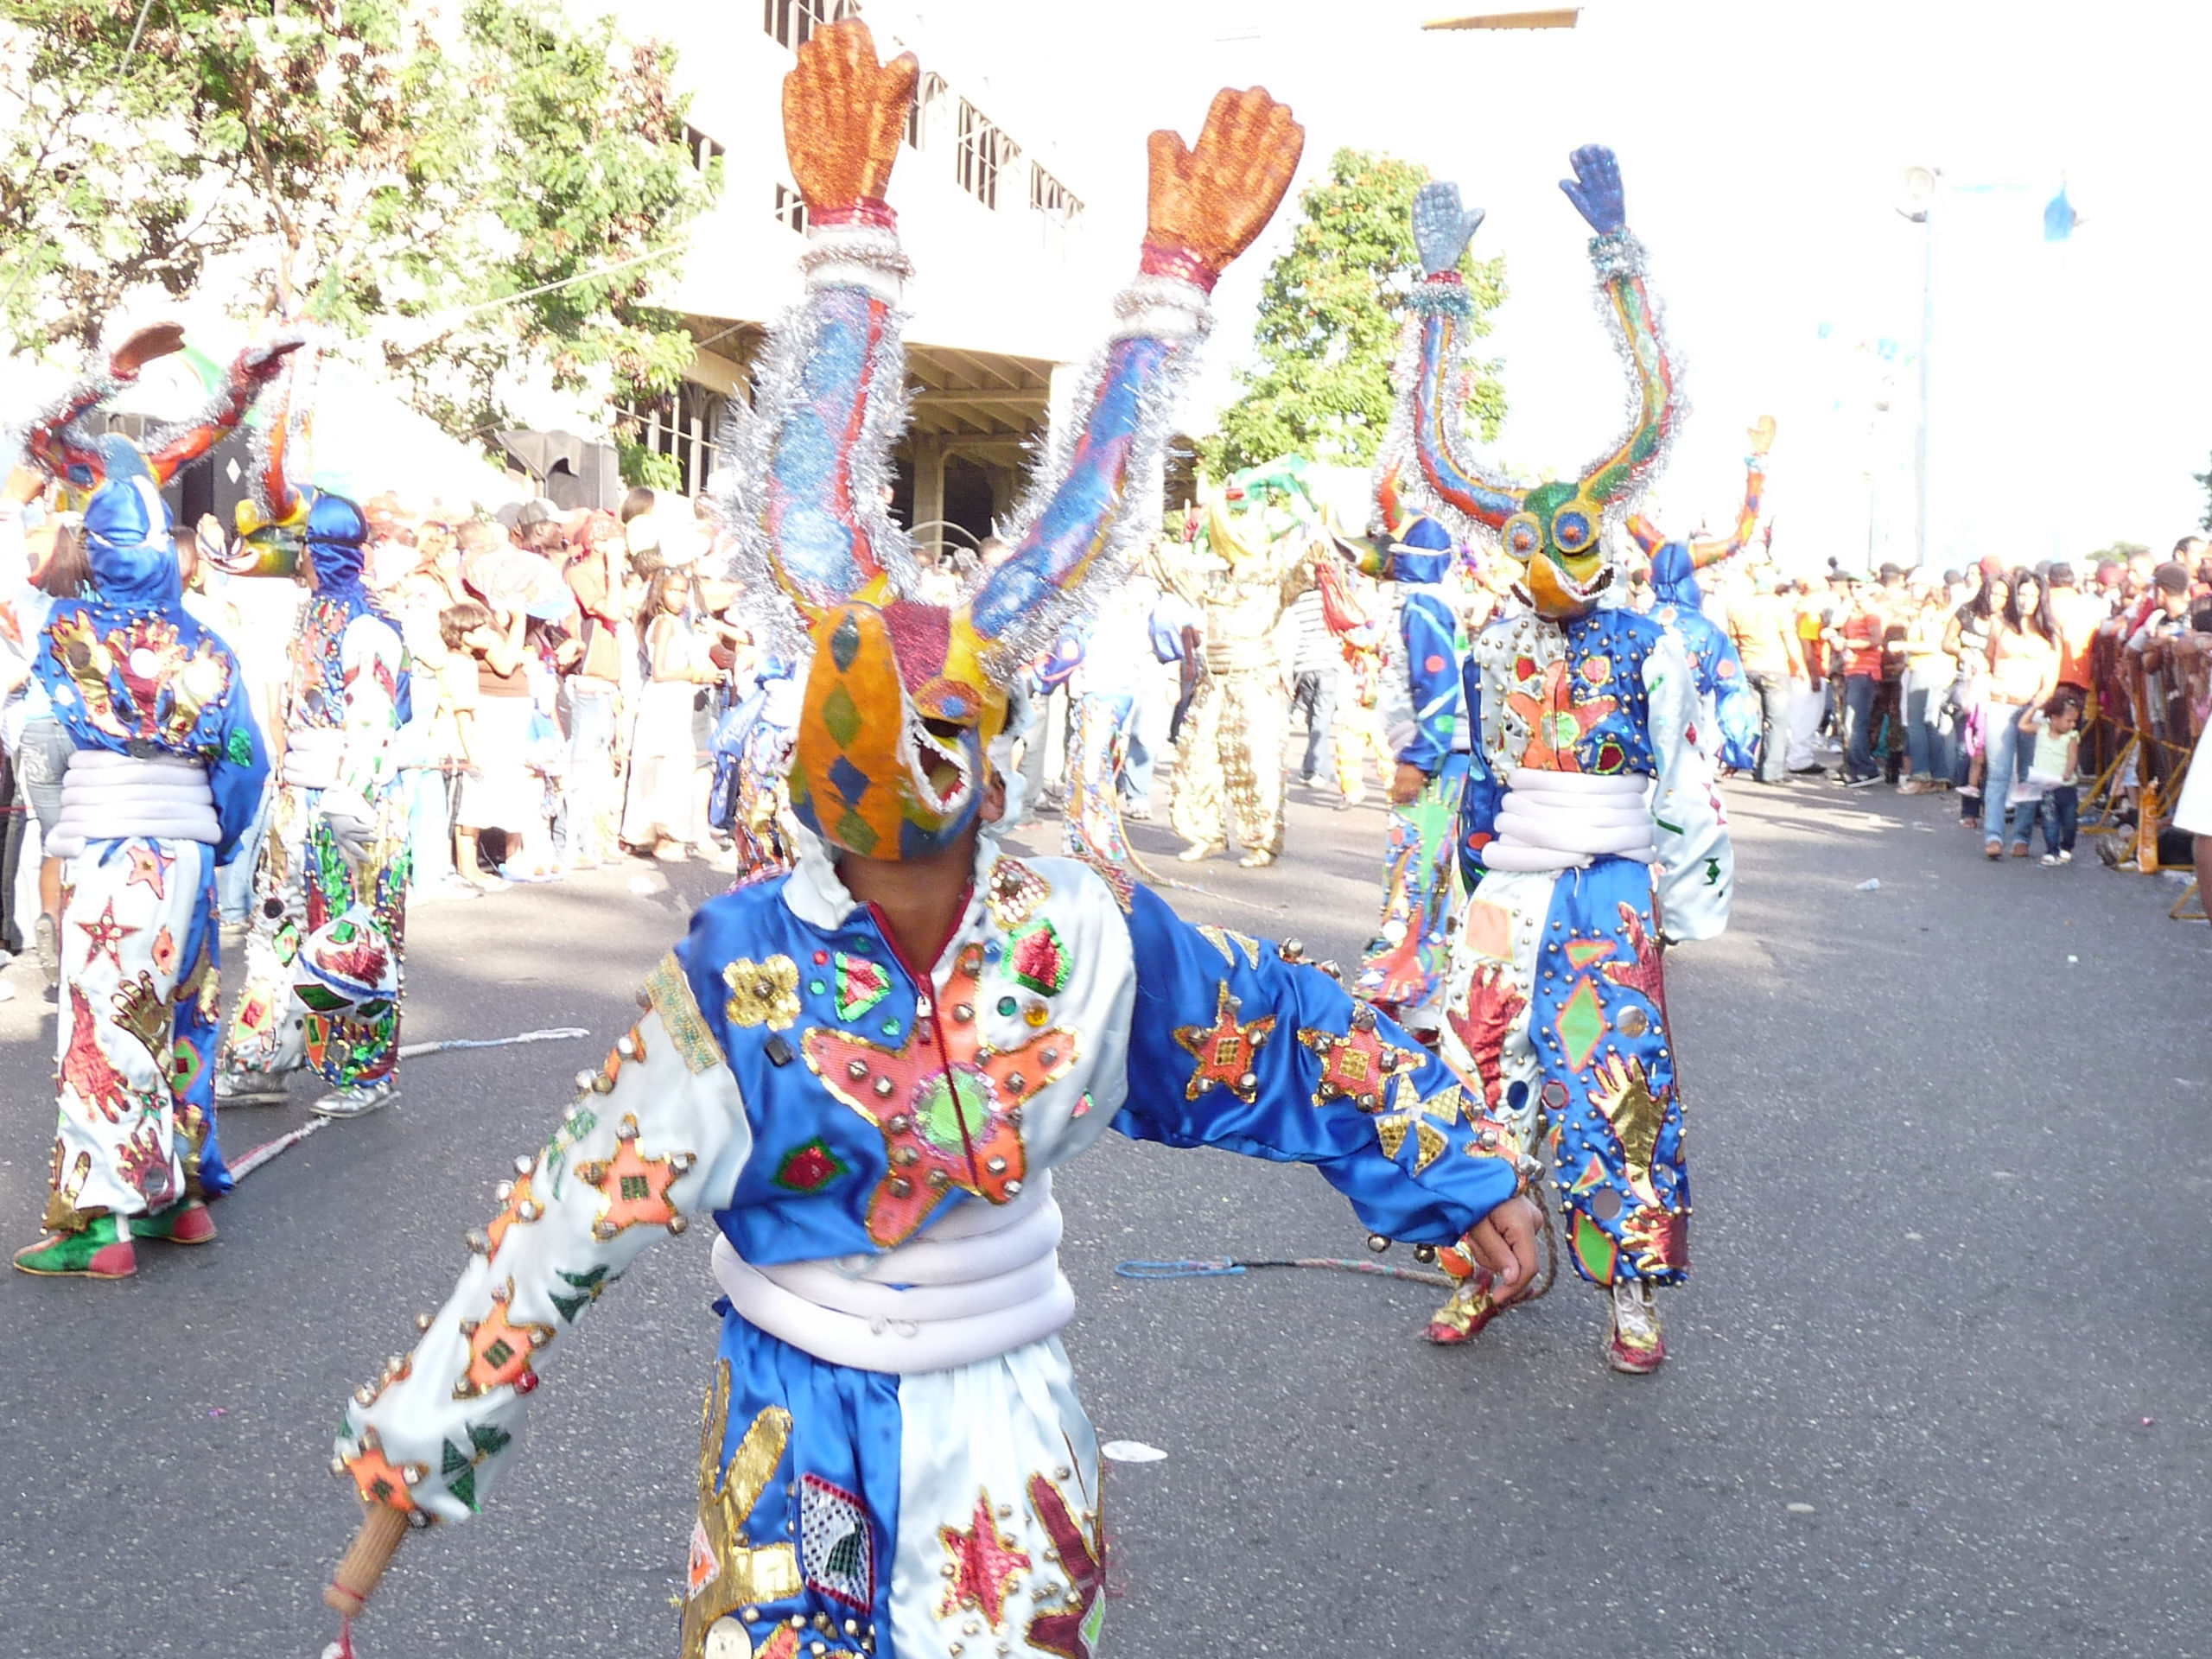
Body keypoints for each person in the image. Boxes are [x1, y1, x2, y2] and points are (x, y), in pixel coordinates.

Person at [320, 37, 1539, 1657]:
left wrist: (1451, 1169)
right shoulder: (744, 972)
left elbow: (1290, 1042)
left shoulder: (1088, 935)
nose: (907, 773)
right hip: (792, 1442)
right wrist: (422, 1443)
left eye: (937, 736)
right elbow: (571, 1213)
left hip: (1006, 1445)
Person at [1381, 151, 1728, 1371]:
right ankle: (1484, 1260)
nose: (1546, 553)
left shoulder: (1648, 642)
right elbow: (1433, 453)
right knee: (1476, 1071)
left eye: (1569, 535)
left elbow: (1655, 410)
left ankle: (1633, 1285)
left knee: (1619, 1081)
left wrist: (1618, 254)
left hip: (1608, 885)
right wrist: (1436, 284)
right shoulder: (1487, 634)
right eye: (1530, 537)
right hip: (1509, 882)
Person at [11, 372, 276, 1274]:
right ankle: (180, 1201)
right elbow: (246, 762)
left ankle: (102, 1227)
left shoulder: (64, 632)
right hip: (190, 853)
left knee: (102, 1022)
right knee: (179, 1014)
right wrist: (221, 839)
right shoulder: (208, 644)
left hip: (113, 848)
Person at [215, 484, 415, 1119]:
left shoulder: (368, 625)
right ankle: (262, 1057)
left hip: (350, 805)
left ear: (325, 552)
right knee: (275, 931)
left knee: (355, 938)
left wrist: (349, 794)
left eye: (304, 546)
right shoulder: (311, 615)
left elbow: (376, 720)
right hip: (297, 800)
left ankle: (364, 1067)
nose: (295, 558)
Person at [1348, 512, 1471, 1034]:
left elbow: (1438, 689)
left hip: (1436, 764)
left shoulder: (1422, 608)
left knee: (1416, 877)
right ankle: (1422, 999)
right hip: (1442, 759)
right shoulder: (1431, 603)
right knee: (1431, 878)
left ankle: (1399, 994)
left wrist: (1418, 761)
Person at [1167, 459, 1323, 868]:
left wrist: (1314, 515)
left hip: (1255, 681)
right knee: (1197, 758)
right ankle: (1205, 834)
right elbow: (1170, 570)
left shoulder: (1276, 581)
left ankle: (1262, 841)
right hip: (1213, 682)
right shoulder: (1214, 582)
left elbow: (1314, 562)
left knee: (1256, 761)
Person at [1627, 417, 1774, 774]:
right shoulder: (1707, 633)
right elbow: (1732, 689)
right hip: (1688, 756)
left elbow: (1626, 510)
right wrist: (1757, 463)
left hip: (1634, 753)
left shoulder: (1634, 628)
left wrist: (1632, 455)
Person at [621, 563, 720, 861]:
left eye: (682, 592)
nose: (678, 597)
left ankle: (663, 833)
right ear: (660, 592)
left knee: (674, 767)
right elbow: (660, 671)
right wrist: (696, 674)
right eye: (672, 590)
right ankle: (659, 834)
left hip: (679, 700)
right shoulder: (664, 624)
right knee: (662, 766)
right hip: (664, 699)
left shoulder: (682, 623)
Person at [1981, 566, 2060, 858]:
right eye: (2022, 593)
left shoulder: (2050, 631)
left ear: (2042, 598)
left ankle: (2022, 837)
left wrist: (2041, 700)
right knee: (1999, 772)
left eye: (2033, 594)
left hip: (2032, 707)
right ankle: (1993, 835)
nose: (2027, 600)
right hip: (2001, 703)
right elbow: (1988, 659)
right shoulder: (2000, 624)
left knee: (2029, 775)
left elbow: (2051, 677)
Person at [1725, 565, 1800, 785]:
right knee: (1777, 722)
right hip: (1775, 668)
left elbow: (1733, 641)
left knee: (1755, 721)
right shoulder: (1779, 606)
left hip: (1748, 667)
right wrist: (1800, 667)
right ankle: (1773, 771)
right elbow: (1790, 639)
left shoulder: (1738, 607)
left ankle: (1756, 767)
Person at [2010, 690, 2082, 865]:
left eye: (2074, 721)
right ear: (2054, 718)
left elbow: (2073, 756)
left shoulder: (2071, 736)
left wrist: (2068, 771)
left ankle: (2067, 846)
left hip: (2066, 786)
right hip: (2047, 785)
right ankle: (2051, 850)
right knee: (2050, 820)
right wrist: (2034, 707)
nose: (2072, 725)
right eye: (2068, 720)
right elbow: (2022, 725)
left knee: (2070, 821)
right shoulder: (2042, 729)